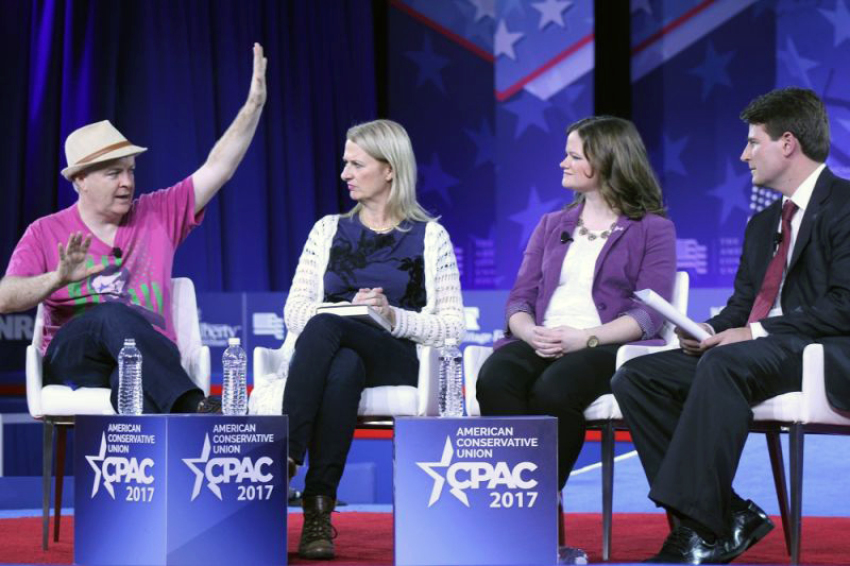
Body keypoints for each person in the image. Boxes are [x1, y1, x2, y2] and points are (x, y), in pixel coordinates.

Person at [611, 87, 850, 564]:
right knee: (638, 377)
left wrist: (753, 334)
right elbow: (742, 306)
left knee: (725, 363)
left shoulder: (845, 205)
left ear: (787, 143)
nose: (744, 156)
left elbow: (845, 306)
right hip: (754, 354)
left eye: (752, 142)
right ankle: (727, 515)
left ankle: (702, 528)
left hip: (822, 352)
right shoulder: (763, 223)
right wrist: (703, 329)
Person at [0, 43, 267, 414]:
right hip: (75, 358)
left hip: (148, 358)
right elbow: (4, 298)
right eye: (114, 173)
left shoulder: (157, 213)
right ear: (80, 180)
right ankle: (196, 407)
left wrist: (252, 107)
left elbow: (217, 168)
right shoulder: (45, 231)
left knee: (134, 387)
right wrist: (56, 278)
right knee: (110, 313)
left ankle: (133, 472)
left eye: (130, 170)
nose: (127, 182)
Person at [248, 119, 465, 560]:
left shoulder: (429, 236)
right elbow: (294, 313)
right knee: (344, 363)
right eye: (345, 163)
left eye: (356, 164)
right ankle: (317, 513)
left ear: (389, 169)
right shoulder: (328, 230)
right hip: (338, 357)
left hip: (398, 356)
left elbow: (452, 326)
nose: (344, 173)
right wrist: (350, 310)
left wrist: (390, 315)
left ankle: (283, 458)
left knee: (327, 327)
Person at [475, 116, 676, 546]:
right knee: (496, 377)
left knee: (555, 390)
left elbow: (650, 315)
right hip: (542, 337)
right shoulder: (552, 224)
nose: (561, 163)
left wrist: (583, 338)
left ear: (604, 162)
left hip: (607, 343)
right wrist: (529, 333)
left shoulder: (653, 229)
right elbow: (519, 299)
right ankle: (523, 508)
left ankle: (533, 512)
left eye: (573, 155)